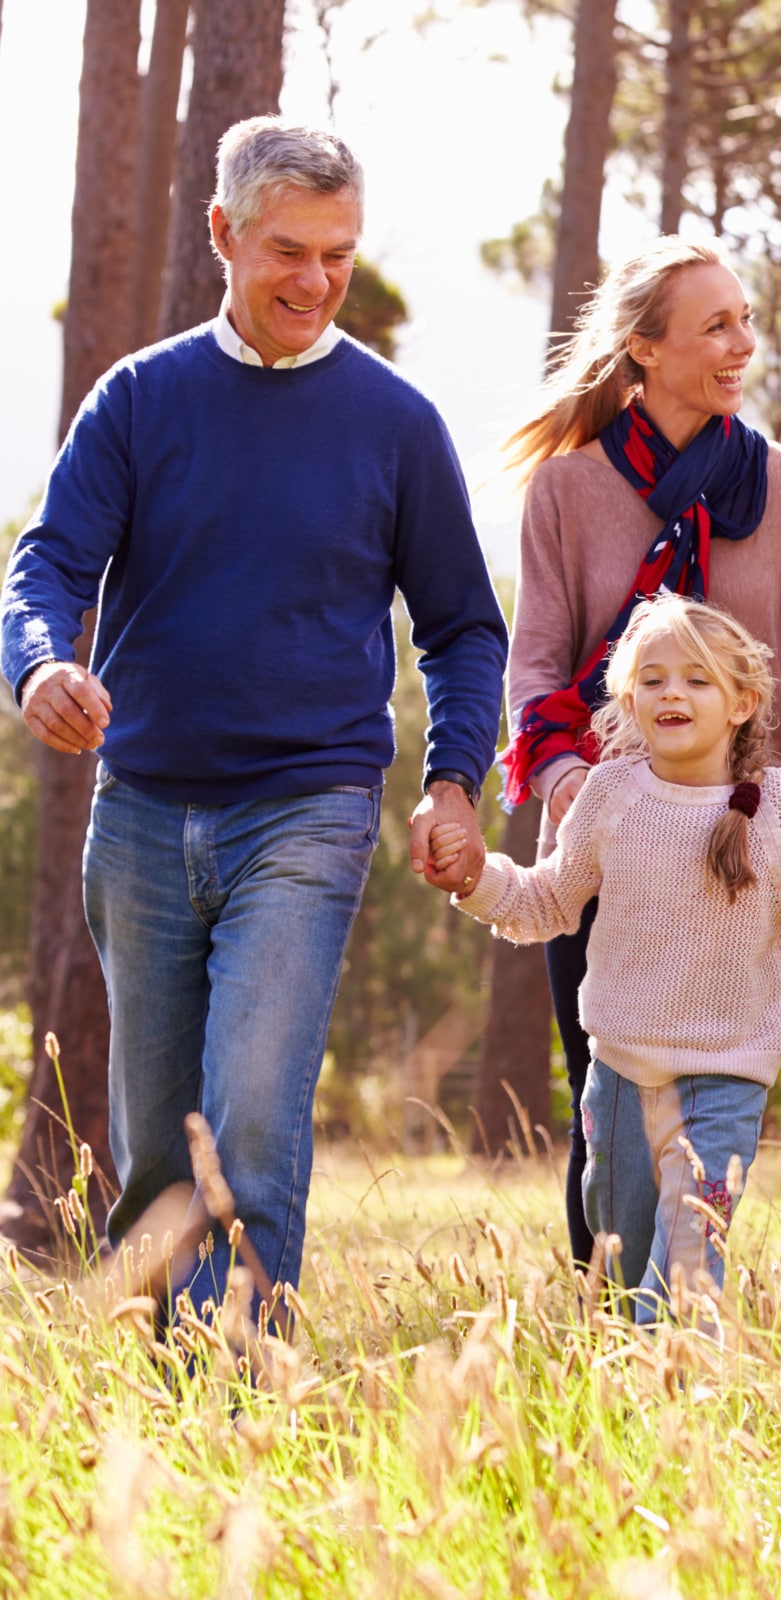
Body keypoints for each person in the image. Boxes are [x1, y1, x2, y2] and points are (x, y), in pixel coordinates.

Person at [0, 118, 507, 1314]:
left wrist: (450, 782)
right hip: (141, 815)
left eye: (338, 254)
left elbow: (463, 627)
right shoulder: (139, 399)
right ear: (223, 233)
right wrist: (36, 669)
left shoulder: (395, 424)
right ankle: (170, 1404)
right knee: (157, 1145)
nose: (316, 280)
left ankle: (243, 1386)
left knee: (254, 1110)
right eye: (288, 250)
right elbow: (48, 567)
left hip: (310, 807)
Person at [501, 237, 781, 1272]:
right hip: (605, 841)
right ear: (644, 350)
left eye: (746, 319)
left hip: (737, 843)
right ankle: (610, 1326)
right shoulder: (565, 491)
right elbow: (535, 665)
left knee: (713, 1104)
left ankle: (684, 1319)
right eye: (717, 326)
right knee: (604, 1106)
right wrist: (574, 790)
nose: (744, 344)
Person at [435, 595, 781, 1320]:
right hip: (620, 1082)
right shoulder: (610, 794)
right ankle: (637, 1416)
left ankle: (686, 1412)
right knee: (627, 1279)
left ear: (742, 703)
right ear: (630, 699)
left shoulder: (775, 810)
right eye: (654, 679)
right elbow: (547, 903)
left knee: (686, 1282)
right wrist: (477, 879)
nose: (673, 693)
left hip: (723, 1087)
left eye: (697, 680)